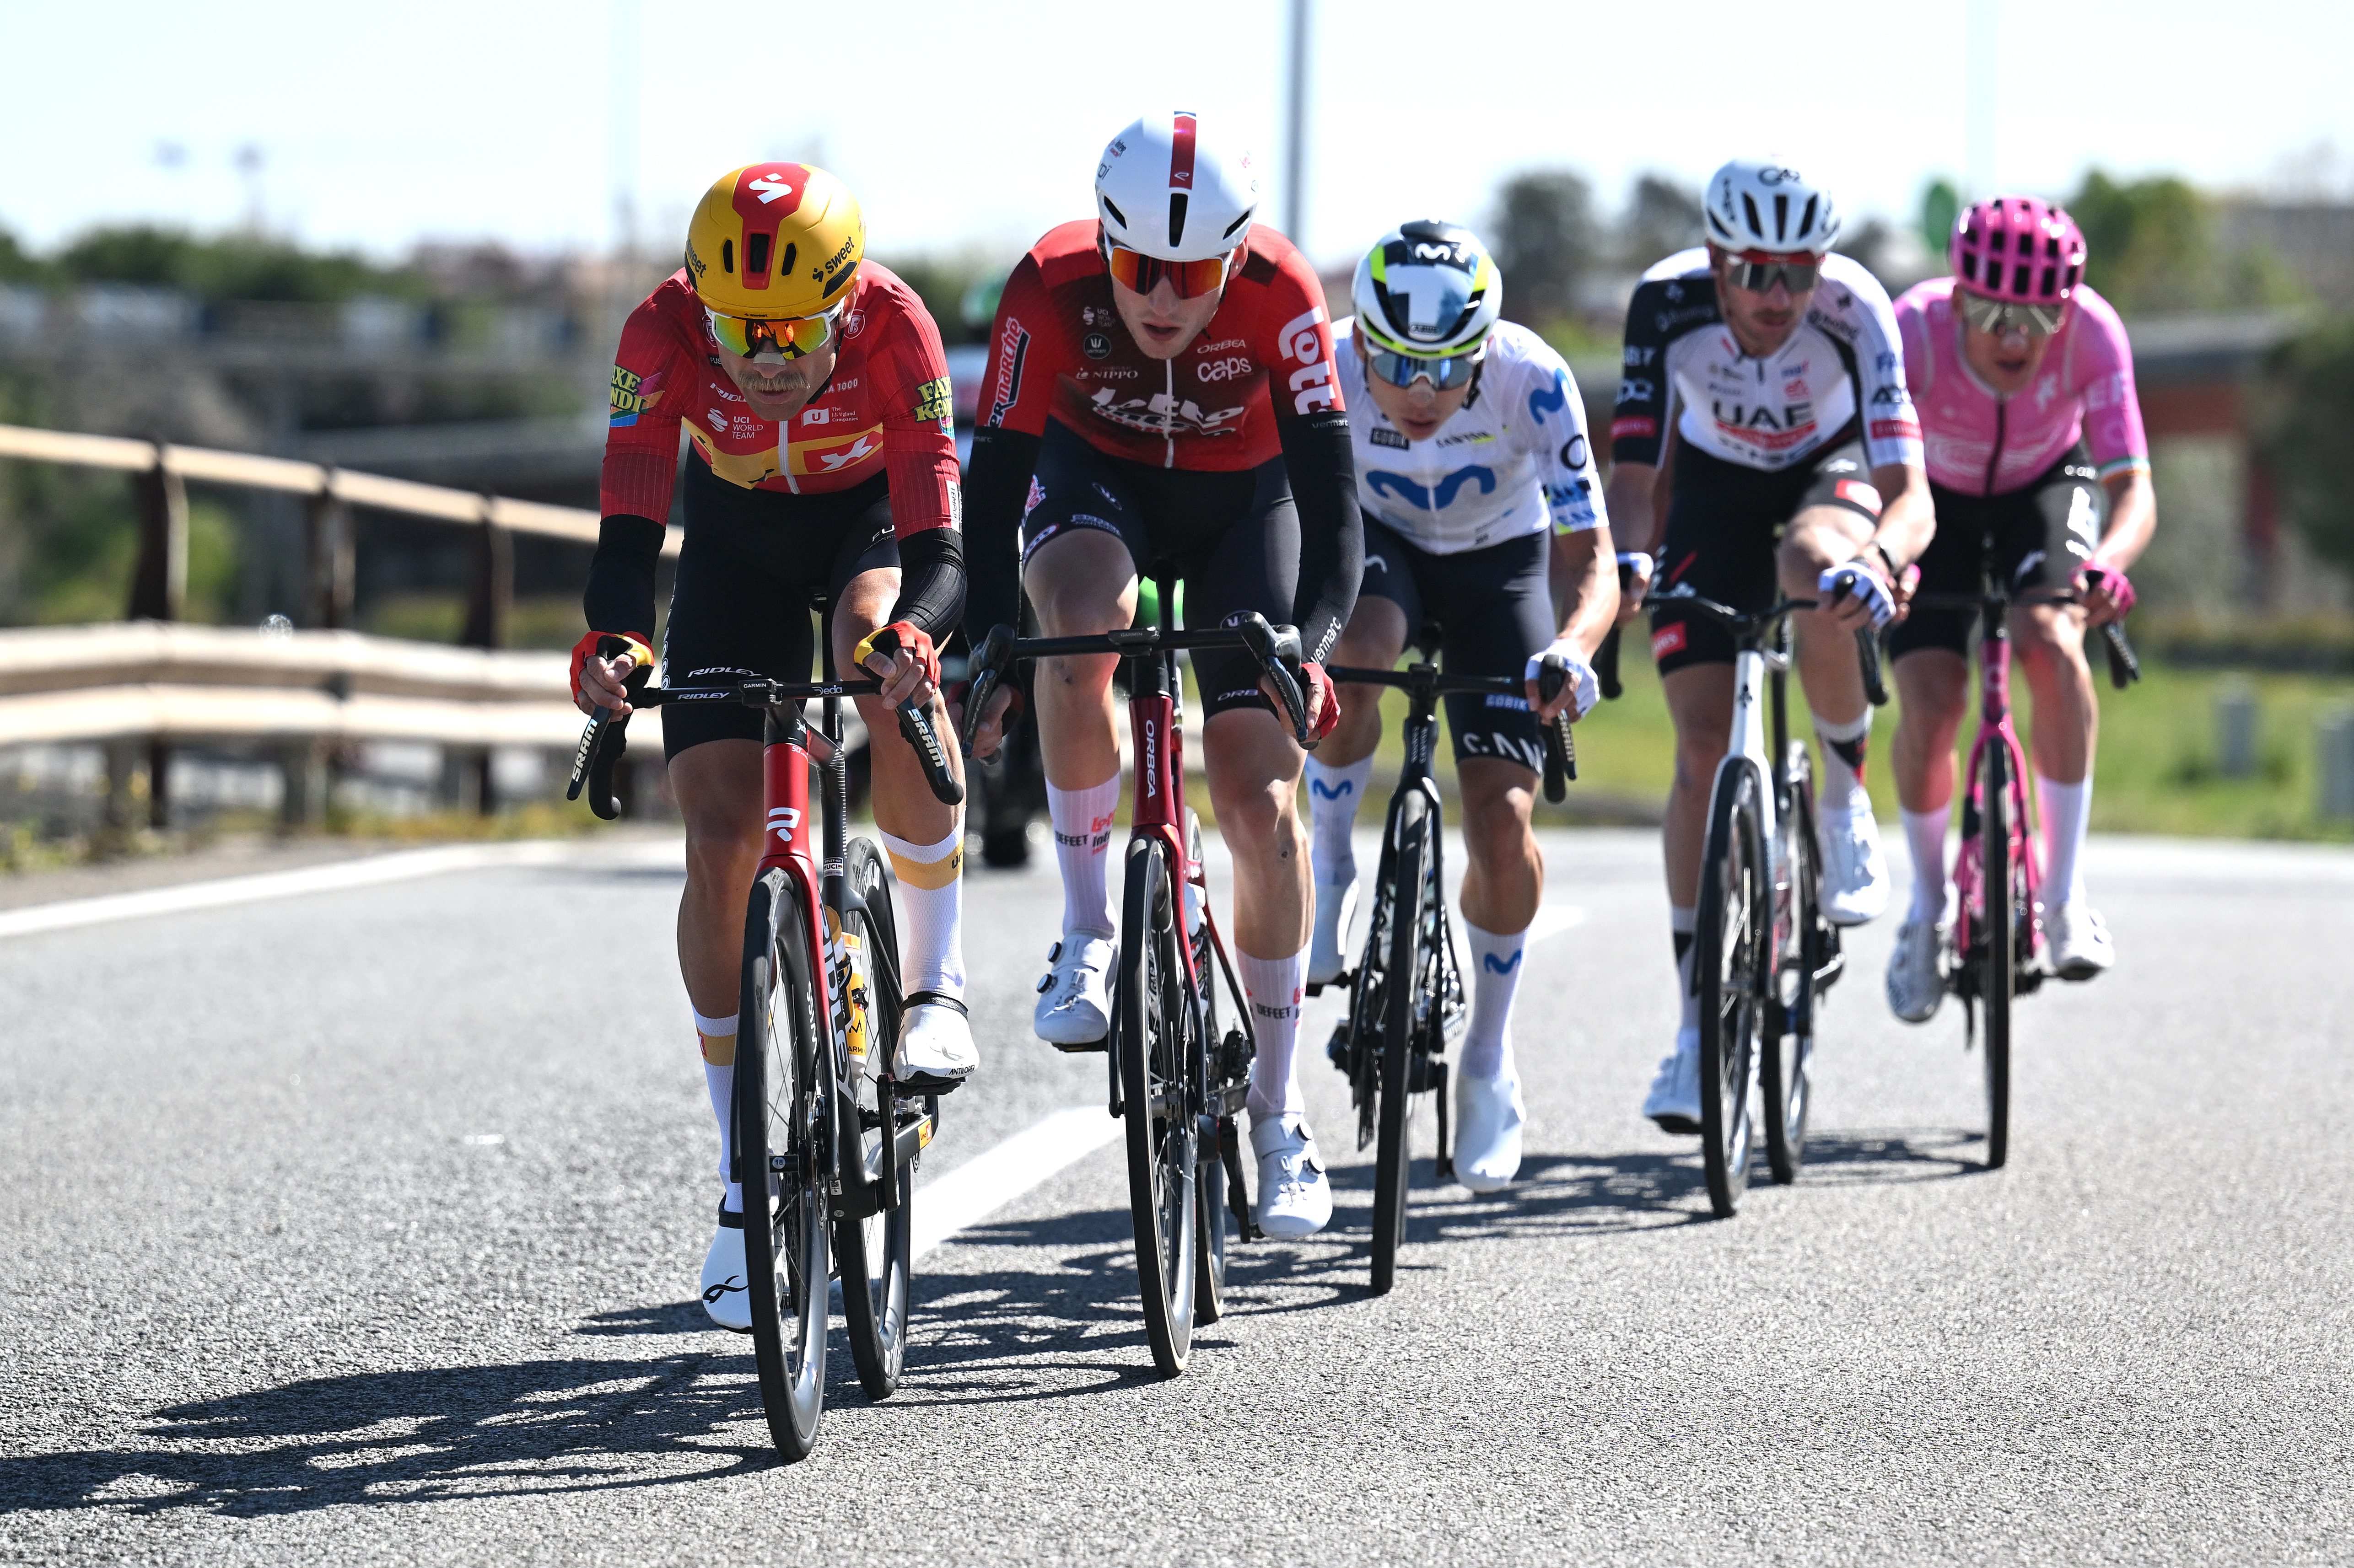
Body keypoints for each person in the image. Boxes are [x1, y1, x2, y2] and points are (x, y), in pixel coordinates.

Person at [573, 163, 973, 1331]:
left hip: (866, 527)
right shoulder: (659, 333)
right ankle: (744, 1175)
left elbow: (942, 543)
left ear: (845, 305)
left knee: (873, 659)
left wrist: (917, 636)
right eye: (740, 332)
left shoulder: (898, 328)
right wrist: (612, 641)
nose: (766, 357)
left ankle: (935, 983)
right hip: (737, 541)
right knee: (715, 830)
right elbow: (630, 515)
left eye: (795, 332)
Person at [959, 111, 1364, 1239]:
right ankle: (1090, 929)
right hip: (1100, 486)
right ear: (1104, 241)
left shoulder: (1283, 293)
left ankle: (1280, 1116)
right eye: (1135, 265)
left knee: (1255, 795)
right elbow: (990, 489)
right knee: (1078, 622)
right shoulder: (1047, 284)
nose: (1160, 295)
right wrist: (991, 641)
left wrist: (1315, 647)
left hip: (1248, 506)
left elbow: (1336, 513)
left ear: (1235, 255)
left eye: (1191, 273)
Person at [1605, 158, 1936, 1133]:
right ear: (1712, 260)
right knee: (1701, 752)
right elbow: (1634, 473)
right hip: (1711, 484)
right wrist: (1627, 561)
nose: (1775, 297)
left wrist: (1879, 558)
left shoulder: (1853, 307)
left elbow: (1908, 490)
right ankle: (1694, 1031)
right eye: (1751, 272)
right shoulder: (1662, 305)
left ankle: (1840, 800)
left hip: (1825, 481)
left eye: (1796, 272)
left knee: (1811, 566)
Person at [1308, 220, 1621, 1192]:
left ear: (1484, 345)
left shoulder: (1533, 378)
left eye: (1448, 371)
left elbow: (1591, 558)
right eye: (1395, 364)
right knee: (1353, 658)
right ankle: (1329, 869)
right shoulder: (1321, 362)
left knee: (1500, 820)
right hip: (1381, 551)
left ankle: (1488, 1056)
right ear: (1361, 340)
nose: (1419, 394)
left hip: (1500, 567)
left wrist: (1571, 648)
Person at [1883, 198, 2153, 1020]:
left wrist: (2107, 564)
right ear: (1958, 298)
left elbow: (2131, 486)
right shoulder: (1912, 331)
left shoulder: (2095, 334)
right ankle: (1925, 913)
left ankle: (2066, 898)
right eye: (1995, 313)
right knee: (1932, 699)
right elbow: (1867, 465)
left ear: (2064, 311)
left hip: (2045, 485)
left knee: (2049, 636)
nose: (2014, 338)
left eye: (2038, 317)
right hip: (1935, 502)